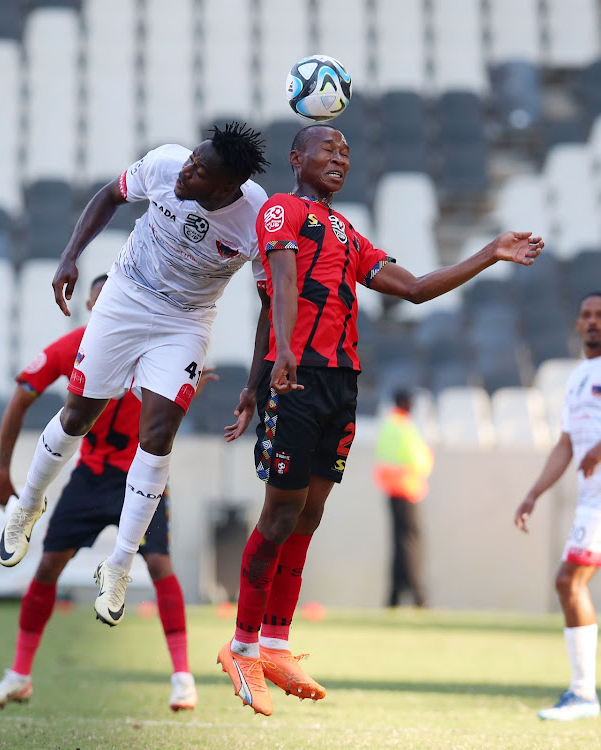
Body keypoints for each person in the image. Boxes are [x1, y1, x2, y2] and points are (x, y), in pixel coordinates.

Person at [217, 122, 544, 716]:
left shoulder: (347, 231)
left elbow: (415, 289)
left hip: (341, 386)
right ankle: (241, 646)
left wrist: (489, 253)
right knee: (279, 513)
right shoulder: (281, 212)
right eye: (327, 149)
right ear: (296, 159)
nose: (340, 156)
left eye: (346, 150)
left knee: (309, 516)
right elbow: (281, 284)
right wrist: (279, 356)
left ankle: (275, 643)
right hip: (298, 377)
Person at [0, 123, 272, 632]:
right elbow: (109, 195)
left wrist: (254, 385)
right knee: (78, 416)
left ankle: (119, 564)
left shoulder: (257, 218)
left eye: (200, 171)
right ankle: (29, 504)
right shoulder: (166, 164)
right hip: (126, 297)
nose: (186, 171)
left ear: (227, 186)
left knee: (159, 435)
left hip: (185, 321)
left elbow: (270, 304)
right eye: (191, 161)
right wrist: (70, 255)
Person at [0, 275, 216, 711]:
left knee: (160, 564)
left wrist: (190, 391)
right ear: (91, 304)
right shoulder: (74, 347)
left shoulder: (154, 349)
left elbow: (163, 410)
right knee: (48, 563)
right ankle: (18, 675)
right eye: (100, 298)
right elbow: (20, 397)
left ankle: (183, 678)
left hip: (138, 481)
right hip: (90, 476)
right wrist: (1, 471)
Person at [515, 292, 601, 721]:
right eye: (586, 314)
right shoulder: (579, 376)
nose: (592, 322)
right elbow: (566, 444)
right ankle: (584, 693)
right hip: (592, 500)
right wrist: (533, 493)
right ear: (576, 324)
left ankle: (584, 693)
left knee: (569, 580)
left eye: (600, 315)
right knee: (570, 582)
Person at [374, 388, 434, 608]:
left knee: (400, 544)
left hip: (394, 490)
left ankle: (395, 597)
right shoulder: (403, 426)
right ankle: (418, 595)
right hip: (407, 489)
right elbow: (419, 461)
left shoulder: (389, 424)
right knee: (410, 544)